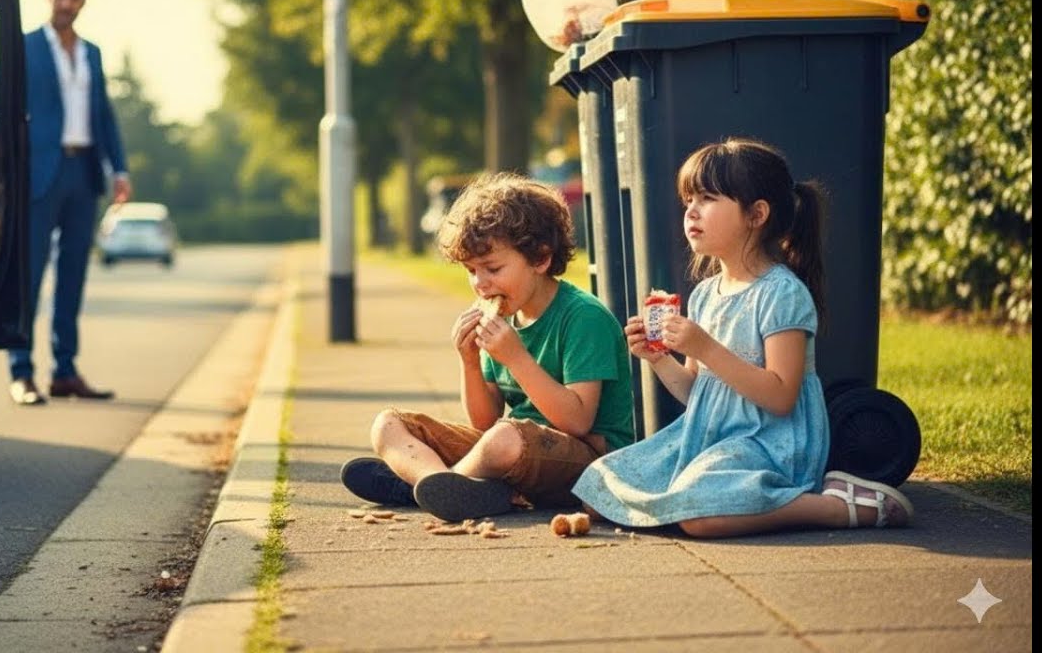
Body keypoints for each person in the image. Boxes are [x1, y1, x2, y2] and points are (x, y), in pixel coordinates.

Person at [572, 138, 914, 538]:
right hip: (707, 438)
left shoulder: (781, 293)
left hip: (771, 443)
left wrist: (705, 348)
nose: (691, 212)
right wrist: (659, 359)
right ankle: (705, 495)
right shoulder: (704, 295)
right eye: (688, 201)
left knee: (700, 517)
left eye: (708, 198)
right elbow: (697, 392)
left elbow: (781, 396)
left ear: (756, 214)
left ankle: (836, 507)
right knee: (597, 486)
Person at [340, 173, 635, 521]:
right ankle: (440, 485)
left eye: (492, 268)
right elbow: (483, 419)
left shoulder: (583, 317)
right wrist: (469, 361)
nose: (480, 284)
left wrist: (516, 358)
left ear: (540, 259)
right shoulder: (504, 316)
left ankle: (428, 487)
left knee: (503, 439)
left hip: (588, 459)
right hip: (511, 449)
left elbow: (577, 421)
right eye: (470, 270)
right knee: (388, 424)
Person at [8, 0, 132, 406]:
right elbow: (3, 112)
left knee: (73, 276)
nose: (67, 4)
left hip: (83, 174)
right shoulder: (23, 47)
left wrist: (120, 169)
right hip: (40, 175)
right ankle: (21, 373)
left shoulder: (91, 53)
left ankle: (65, 370)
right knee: (30, 274)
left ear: (83, 1)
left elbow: (104, 114)